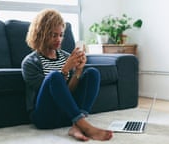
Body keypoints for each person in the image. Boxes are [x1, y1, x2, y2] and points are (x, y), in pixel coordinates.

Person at [21, 9, 113, 141]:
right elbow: (49, 93)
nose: (58, 39)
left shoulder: (65, 56)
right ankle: (85, 126)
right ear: (41, 34)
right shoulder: (30, 63)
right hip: (45, 117)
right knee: (54, 76)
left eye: (61, 35)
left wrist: (78, 71)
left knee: (92, 73)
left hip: (67, 115)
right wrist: (64, 70)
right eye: (53, 35)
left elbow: (68, 92)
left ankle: (77, 124)